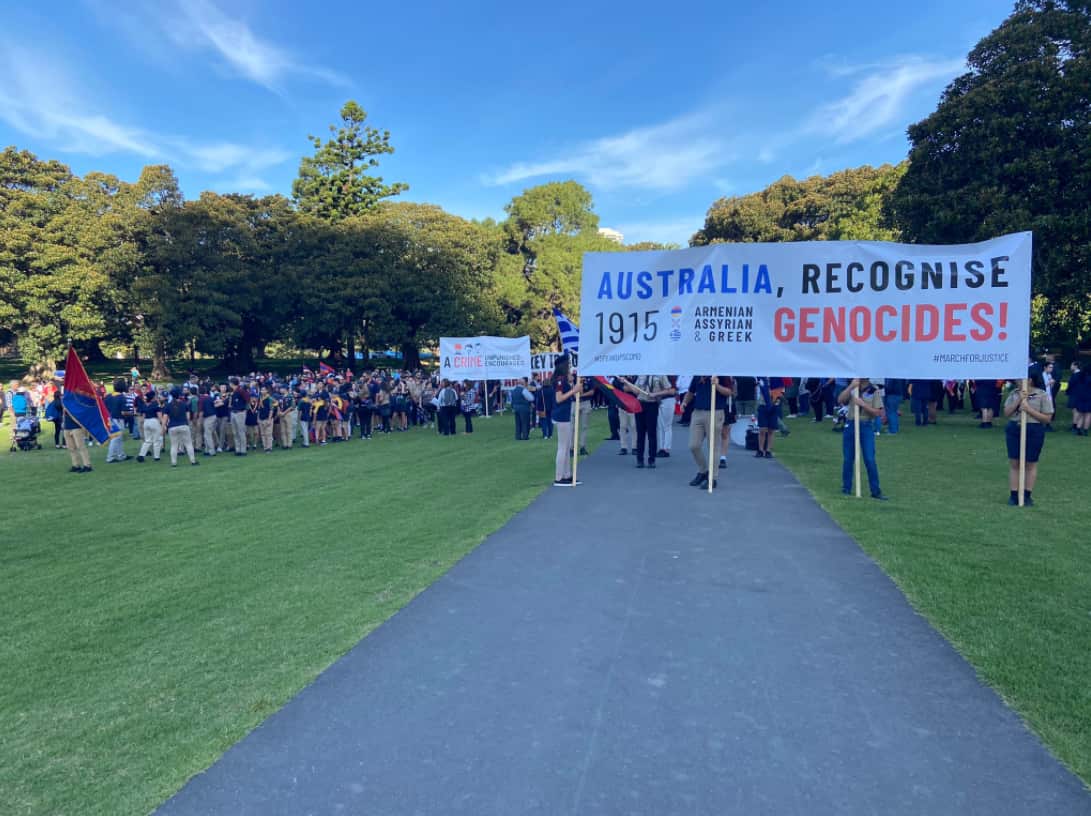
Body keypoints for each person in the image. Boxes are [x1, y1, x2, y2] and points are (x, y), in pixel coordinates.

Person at [1003, 369, 1051, 506]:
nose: (1016, 381)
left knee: (1030, 463)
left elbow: (1047, 418)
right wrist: (1019, 399)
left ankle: (1027, 495)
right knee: (1014, 462)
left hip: (1034, 429)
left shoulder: (1041, 395)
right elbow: (1006, 412)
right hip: (1014, 428)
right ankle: (1013, 495)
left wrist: (1029, 409)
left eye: (1019, 378)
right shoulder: (1013, 394)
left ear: (1029, 380)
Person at [838, 378, 887, 500]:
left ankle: (875, 491)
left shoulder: (873, 390)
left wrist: (863, 404)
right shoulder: (853, 387)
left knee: (870, 459)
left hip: (865, 426)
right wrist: (850, 387)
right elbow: (840, 400)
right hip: (850, 425)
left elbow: (878, 413)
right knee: (848, 459)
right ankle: (846, 488)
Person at [682, 376, 731, 489]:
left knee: (713, 447)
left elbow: (729, 392)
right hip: (698, 412)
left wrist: (717, 385)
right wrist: (685, 402)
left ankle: (712, 478)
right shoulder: (698, 373)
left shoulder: (721, 373)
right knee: (694, 445)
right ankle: (703, 471)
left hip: (715, 411)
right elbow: (691, 391)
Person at [621, 374, 674, 469]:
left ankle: (651, 459)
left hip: (652, 404)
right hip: (640, 404)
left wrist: (656, 394)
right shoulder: (642, 374)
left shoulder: (660, 375)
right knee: (640, 433)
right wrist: (626, 382)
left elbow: (669, 390)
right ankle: (639, 459)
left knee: (651, 433)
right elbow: (636, 391)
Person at [552, 358, 582, 485]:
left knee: (566, 445)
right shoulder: (559, 380)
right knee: (563, 447)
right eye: (568, 364)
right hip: (561, 415)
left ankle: (567, 474)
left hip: (565, 415)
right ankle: (559, 477)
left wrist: (572, 384)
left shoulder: (564, 379)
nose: (570, 366)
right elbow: (559, 399)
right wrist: (573, 390)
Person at [164, 386, 198, 467]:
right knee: (188, 444)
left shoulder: (168, 405)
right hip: (183, 425)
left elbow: (165, 418)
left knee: (174, 445)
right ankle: (193, 461)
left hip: (172, 426)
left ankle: (174, 463)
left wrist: (164, 427)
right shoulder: (184, 404)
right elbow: (188, 417)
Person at [103, 379, 129, 463]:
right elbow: (123, 411)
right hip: (118, 419)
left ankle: (121, 455)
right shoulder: (122, 397)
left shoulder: (108, 396)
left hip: (109, 419)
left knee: (118, 438)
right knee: (116, 438)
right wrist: (131, 413)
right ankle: (110, 457)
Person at [754, 377, 782, 458]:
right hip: (763, 405)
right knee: (762, 429)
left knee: (771, 430)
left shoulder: (778, 378)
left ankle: (768, 450)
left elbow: (781, 391)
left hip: (775, 405)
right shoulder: (761, 378)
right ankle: (760, 450)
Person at [62, 401, 92, 473]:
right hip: (67, 427)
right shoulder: (65, 402)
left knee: (80, 446)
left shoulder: (77, 402)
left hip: (76, 427)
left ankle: (87, 465)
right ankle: (76, 465)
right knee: (71, 448)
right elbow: (64, 414)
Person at [136, 389, 164, 462]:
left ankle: (141, 455)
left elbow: (142, 415)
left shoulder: (144, 405)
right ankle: (156, 456)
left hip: (146, 422)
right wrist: (163, 424)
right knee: (157, 440)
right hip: (154, 421)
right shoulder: (155, 404)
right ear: (153, 397)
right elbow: (159, 415)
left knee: (147, 440)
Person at [229, 377, 250, 455]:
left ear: (232, 383)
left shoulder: (241, 390)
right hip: (233, 412)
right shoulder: (233, 391)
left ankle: (243, 450)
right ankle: (237, 449)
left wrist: (244, 409)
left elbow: (248, 399)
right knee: (235, 432)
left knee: (241, 431)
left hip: (240, 412)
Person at [257, 385, 275, 452]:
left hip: (267, 418)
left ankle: (269, 448)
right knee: (263, 434)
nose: (262, 391)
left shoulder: (269, 398)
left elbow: (271, 409)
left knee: (268, 434)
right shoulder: (260, 398)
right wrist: (258, 418)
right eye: (261, 390)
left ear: (267, 391)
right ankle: (265, 447)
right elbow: (259, 409)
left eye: (264, 390)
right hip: (261, 418)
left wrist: (269, 419)